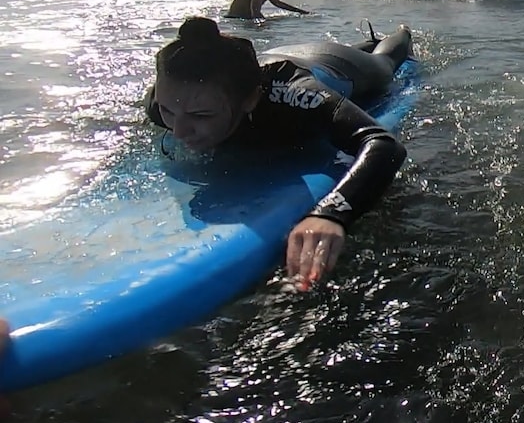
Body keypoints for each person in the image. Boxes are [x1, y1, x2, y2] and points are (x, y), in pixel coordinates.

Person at [145, 17, 413, 290]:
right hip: (248, 65)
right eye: (168, 112)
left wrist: (330, 214)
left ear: (250, 100)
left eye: (200, 116)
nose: (178, 131)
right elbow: (176, 106)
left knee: (384, 63)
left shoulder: (294, 96)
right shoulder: (166, 101)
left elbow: (382, 144)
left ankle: (402, 33)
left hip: (331, 66)